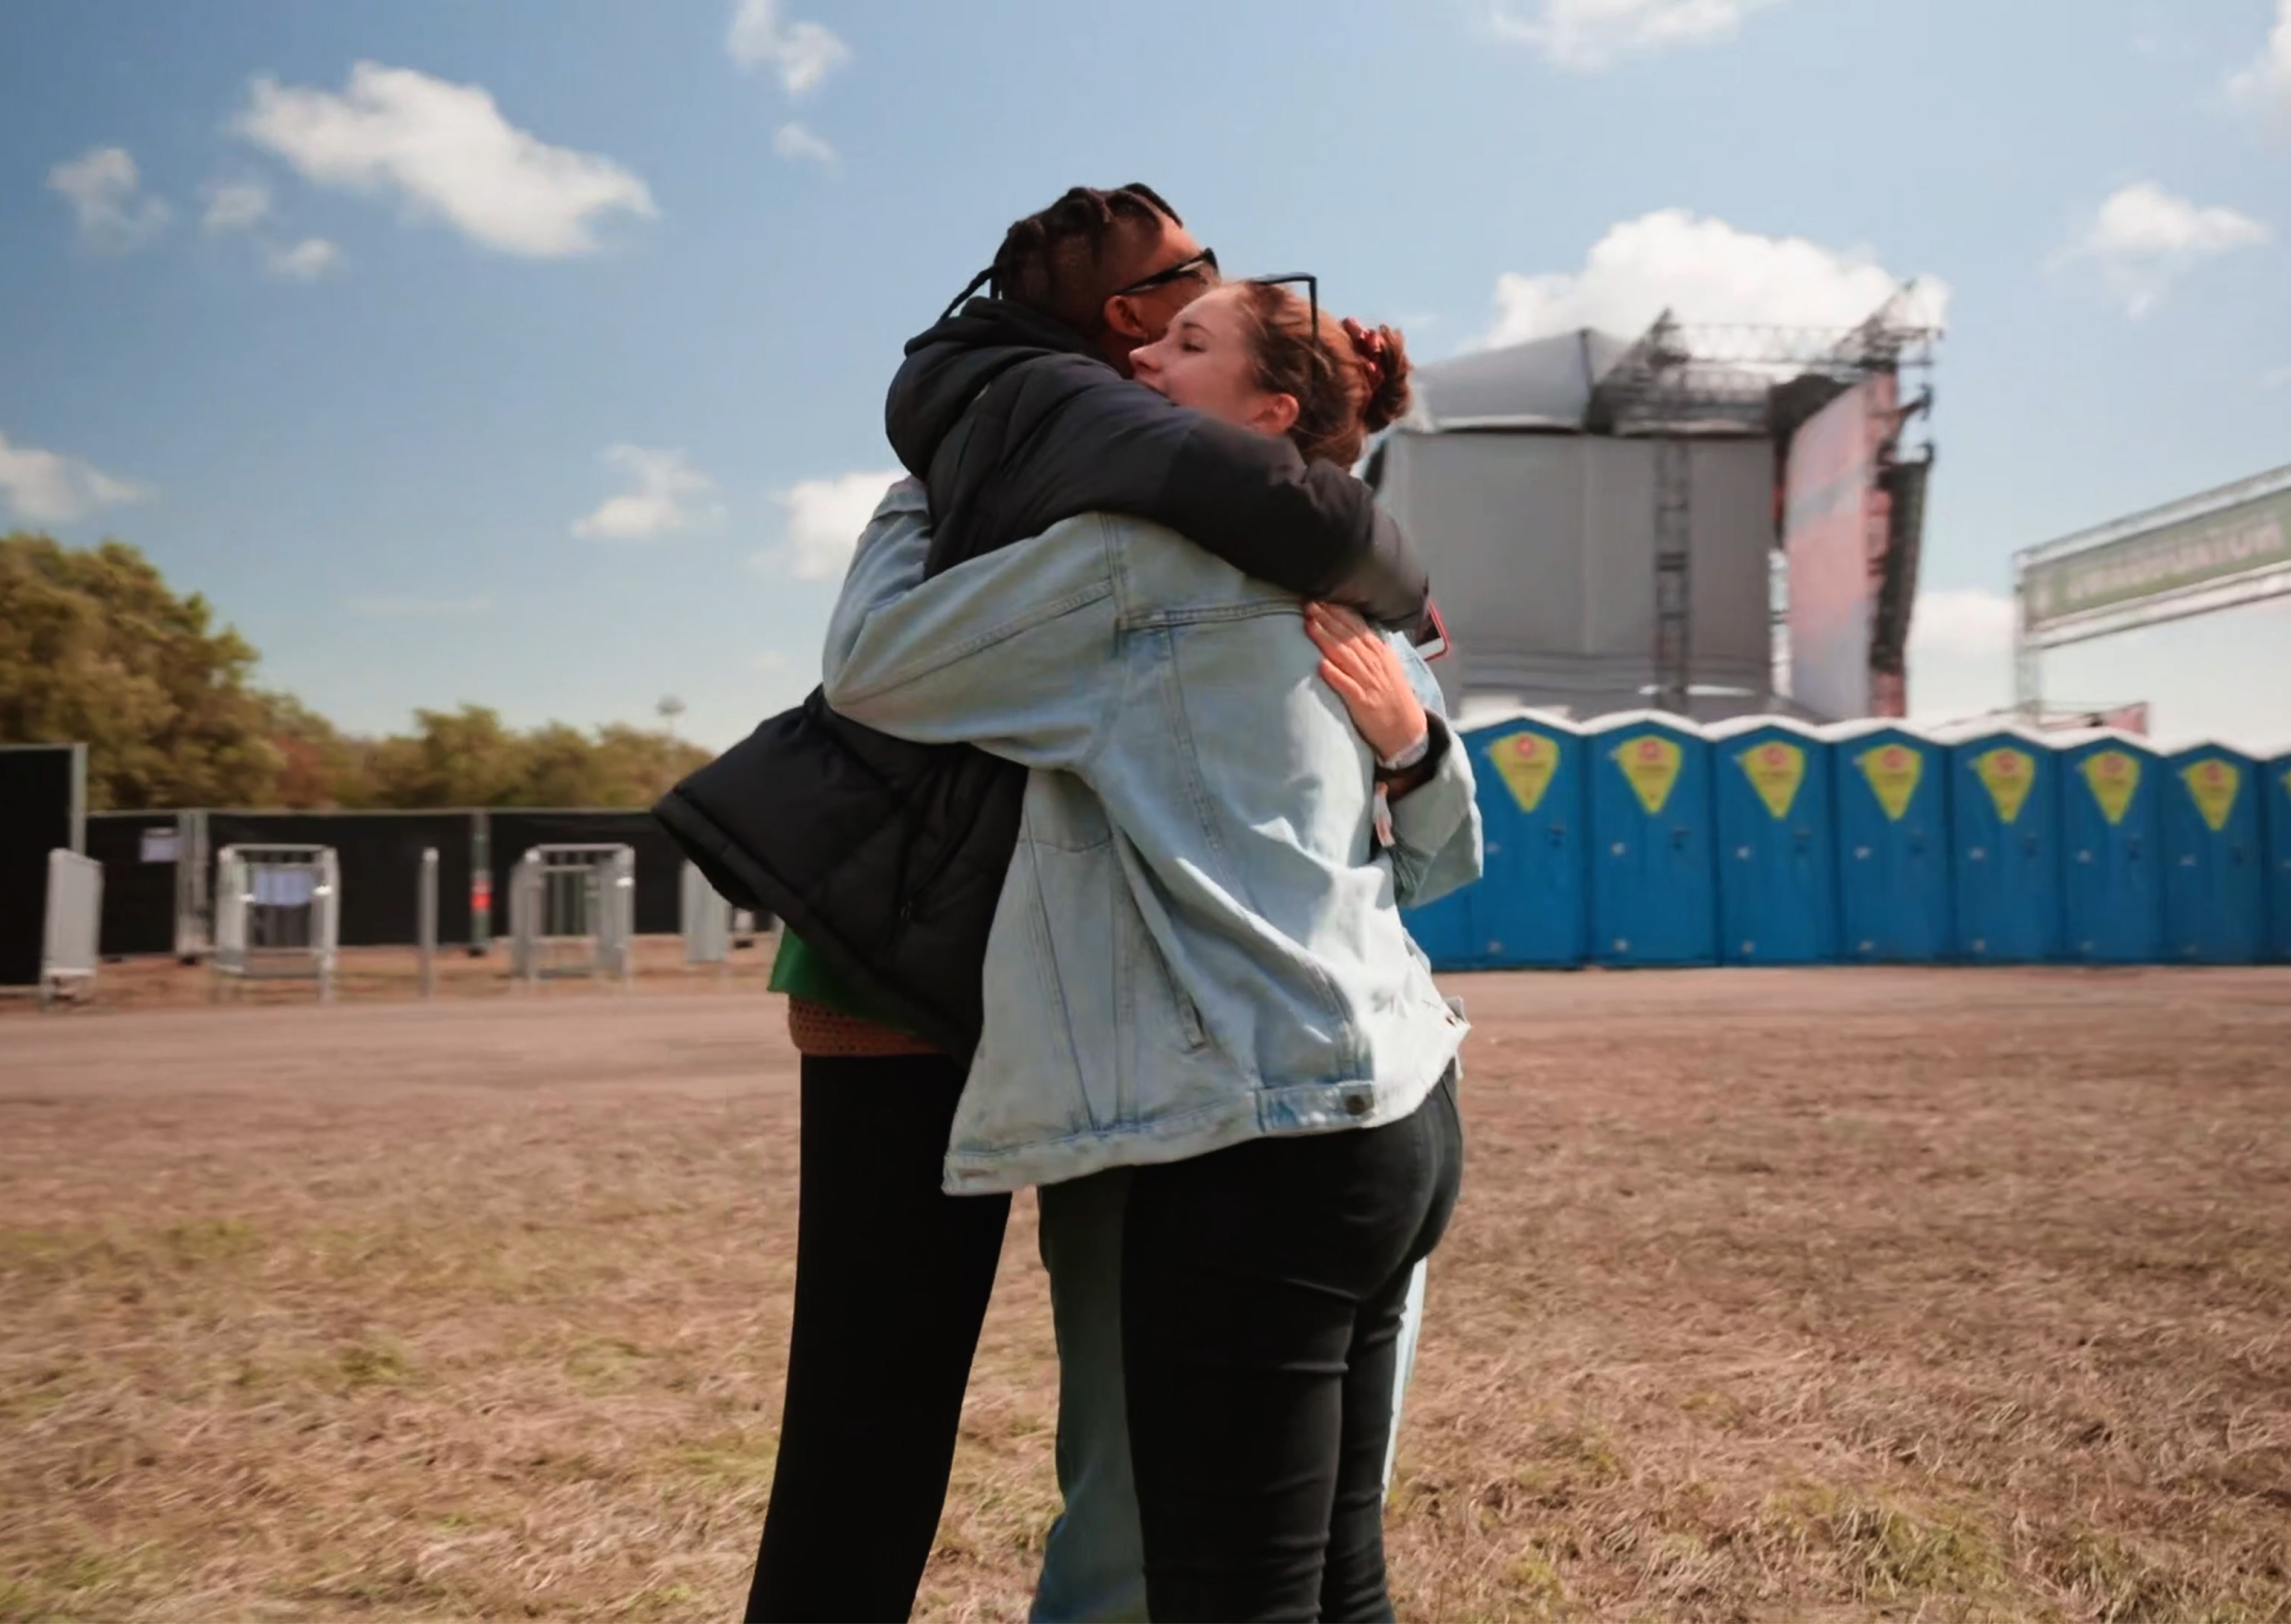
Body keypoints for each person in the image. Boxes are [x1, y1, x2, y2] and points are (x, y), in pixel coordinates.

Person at [657, 186, 1438, 1624]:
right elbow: (1290, 507)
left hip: (1096, 994)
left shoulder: (1051, 445)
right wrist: (1393, 583)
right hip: (979, 977)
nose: (1191, 309)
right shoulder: (1069, 430)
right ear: (1130, 321)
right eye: (1188, 287)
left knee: (926, 1413)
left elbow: (1265, 480)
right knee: (973, 1421)